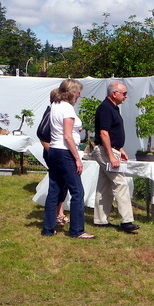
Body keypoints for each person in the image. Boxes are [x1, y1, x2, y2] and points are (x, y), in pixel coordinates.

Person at [42, 79, 94, 239]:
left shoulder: (55, 106)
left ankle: (48, 229)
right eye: (78, 92)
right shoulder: (67, 109)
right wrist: (77, 158)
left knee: (54, 190)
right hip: (65, 152)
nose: (79, 95)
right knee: (77, 191)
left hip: (54, 151)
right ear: (72, 92)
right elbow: (67, 136)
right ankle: (77, 230)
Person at [90, 81, 139, 233]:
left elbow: (112, 132)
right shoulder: (105, 108)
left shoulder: (113, 108)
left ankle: (100, 220)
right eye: (124, 93)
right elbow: (103, 133)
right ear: (114, 94)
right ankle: (126, 221)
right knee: (121, 183)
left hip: (111, 150)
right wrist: (111, 155)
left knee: (104, 186)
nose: (126, 96)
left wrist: (120, 148)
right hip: (106, 151)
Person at [40, 88, 68, 225]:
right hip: (55, 153)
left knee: (62, 183)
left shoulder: (56, 111)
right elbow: (41, 132)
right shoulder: (51, 111)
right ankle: (56, 215)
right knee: (58, 184)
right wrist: (50, 150)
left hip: (57, 151)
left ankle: (59, 212)